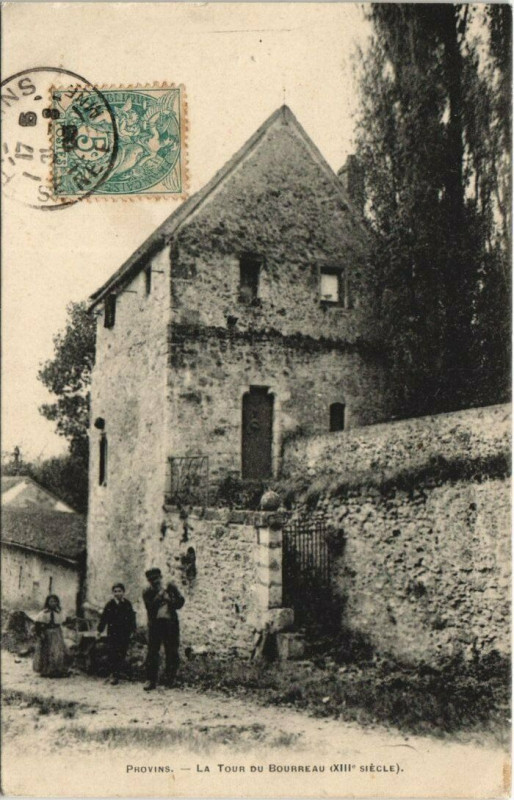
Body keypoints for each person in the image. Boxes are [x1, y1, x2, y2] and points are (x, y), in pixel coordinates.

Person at [143, 568, 185, 691]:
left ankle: (169, 678)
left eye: (156, 579)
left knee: (172, 651)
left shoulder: (171, 587)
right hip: (155, 625)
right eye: (151, 580)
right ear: (148, 581)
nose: (155, 582)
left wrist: (169, 599)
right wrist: (159, 596)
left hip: (170, 624)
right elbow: (149, 608)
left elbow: (180, 602)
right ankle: (150, 680)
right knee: (152, 652)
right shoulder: (147, 592)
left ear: (161, 577)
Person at [97, 583, 136, 685]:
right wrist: (99, 631)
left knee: (122, 652)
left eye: (119, 591)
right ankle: (113, 675)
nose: (117, 593)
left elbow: (132, 617)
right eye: (115, 591)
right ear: (113, 593)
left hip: (124, 633)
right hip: (113, 633)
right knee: (113, 653)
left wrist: (133, 630)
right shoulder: (110, 604)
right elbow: (104, 618)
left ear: (123, 592)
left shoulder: (127, 604)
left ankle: (119, 673)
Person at [33, 594, 68, 677]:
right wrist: (40, 634)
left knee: (57, 652)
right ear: (48, 602)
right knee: (46, 652)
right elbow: (37, 624)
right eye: (51, 601)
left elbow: (63, 622)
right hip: (47, 634)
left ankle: (56, 670)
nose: (53, 603)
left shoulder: (59, 613)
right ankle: (46, 671)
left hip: (57, 634)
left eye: (55, 601)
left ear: (57, 602)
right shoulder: (43, 613)